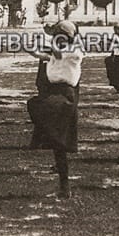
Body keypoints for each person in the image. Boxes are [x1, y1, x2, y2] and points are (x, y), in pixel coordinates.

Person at [27, 20, 84, 198]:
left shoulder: (75, 51)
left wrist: (48, 41)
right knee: (34, 105)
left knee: (59, 142)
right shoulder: (56, 51)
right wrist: (29, 45)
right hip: (53, 93)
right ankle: (64, 185)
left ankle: (65, 185)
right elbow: (39, 54)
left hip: (64, 95)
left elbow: (58, 53)